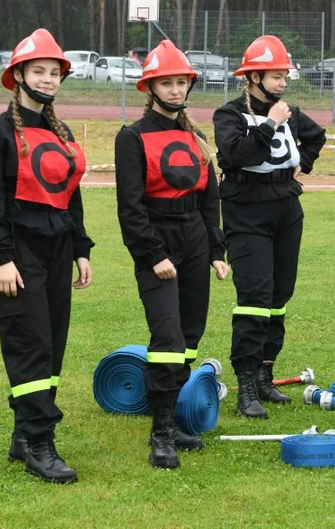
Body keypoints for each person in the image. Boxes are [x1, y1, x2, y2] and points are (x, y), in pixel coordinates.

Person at [0, 28, 94, 483]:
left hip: (57, 248)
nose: (47, 79)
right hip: (17, 253)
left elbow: (69, 195)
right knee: (30, 346)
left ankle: (24, 435)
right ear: (17, 75)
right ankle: (41, 445)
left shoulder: (59, 132)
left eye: (54, 72)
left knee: (52, 345)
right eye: (37, 71)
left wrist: (80, 248)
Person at [114, 40, 229, 469]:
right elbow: (130, 206)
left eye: (181, 82)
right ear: (151, 86)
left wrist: (216, 249)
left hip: (196, 239)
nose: (176, 89)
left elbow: (210, 198)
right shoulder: (131, 137)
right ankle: (161, 431)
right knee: (167, 339)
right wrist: (152, 253)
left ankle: (174, 419)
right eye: (167, 82)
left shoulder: (195, 136)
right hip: (157, 241)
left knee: (190, 335)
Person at [214, 36, 327, 418]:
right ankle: (245, 382)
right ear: (252, 77)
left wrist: (303, 163)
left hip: (286, 209)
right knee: (255, 296)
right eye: (275, 76)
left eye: (284, 76)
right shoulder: (228, 115)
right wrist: (269, 123)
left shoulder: (290, 110)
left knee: (280, 295)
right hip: (245, 212)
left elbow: (316, 135)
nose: (282, 83)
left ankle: (265, 374)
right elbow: (237, 154)